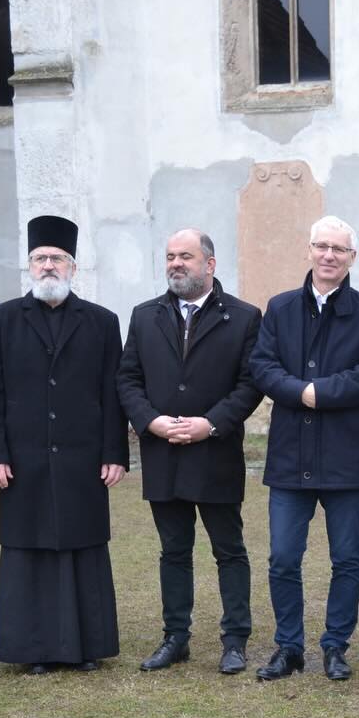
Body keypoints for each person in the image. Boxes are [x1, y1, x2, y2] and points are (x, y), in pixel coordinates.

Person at [0, 215, 129, 675]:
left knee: (83, 546)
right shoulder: (1, 320)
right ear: (29, 266)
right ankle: (33, 649)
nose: (48, 266)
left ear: (72, 267)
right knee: (29, 549)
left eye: (57, 258)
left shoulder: (102, 322)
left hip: (83, 457)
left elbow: (113, 392)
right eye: (40, 258)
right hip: (22, 459)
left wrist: (115, 453)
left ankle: (85, 646)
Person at [249, 216, 359, 682]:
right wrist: (300, 392)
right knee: (283, 559)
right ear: (309, 250)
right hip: (291, 456)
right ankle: (289, 647)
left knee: (346, 559)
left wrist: (319, 392)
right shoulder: (280, 307)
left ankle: (335, 646)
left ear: (352, 257)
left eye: (339, 249)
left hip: (347, 458)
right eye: (322, 246)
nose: (329, 255)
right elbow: (262, 366)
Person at [117, 228, 264, 675]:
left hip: (215, 453)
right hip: (163, 454)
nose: (176, 263)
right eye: (170, 256)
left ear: (210, 264)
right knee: (173, 551)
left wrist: (211, 423)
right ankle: (175, 637)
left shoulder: (244, 317)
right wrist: (150, 421)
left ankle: (235, 640)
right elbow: (128, 378)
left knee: (229, 550)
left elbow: (250, 383)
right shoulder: (145, 316)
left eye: (186, 256)